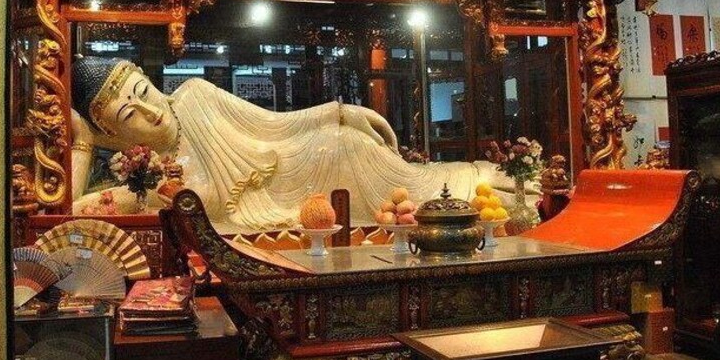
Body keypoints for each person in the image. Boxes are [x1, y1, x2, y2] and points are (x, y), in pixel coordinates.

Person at [70, 57, 535, 232]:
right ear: (114, 134)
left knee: (406, 180)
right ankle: (485, 190)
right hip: (291, 203)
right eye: (130, 115)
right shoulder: (143, 175)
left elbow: (277, 123)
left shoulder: (196, 95)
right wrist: (83, 145)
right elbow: (74, 208)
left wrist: (341, 111)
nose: (151, 110)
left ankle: (478, 180)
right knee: (395, 200)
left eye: (145, 91)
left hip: (314, 156)